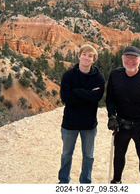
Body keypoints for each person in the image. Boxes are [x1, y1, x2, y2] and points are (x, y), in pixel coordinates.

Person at [106, 46, 140, 184]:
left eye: (134, 58)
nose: (130, 61)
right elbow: (110, 98)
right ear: (122, 59)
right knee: (118, 156)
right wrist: (111, 117)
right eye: (127, 57)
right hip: (121, 124)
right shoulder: (115, 75)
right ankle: (117, 181)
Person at [58, 44, 105, 184]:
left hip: (89, 124)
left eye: (90, 56)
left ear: (93, 59)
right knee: (66, 155)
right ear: (79, 56)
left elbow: (97, 97)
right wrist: (88, 94)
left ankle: (85, 182)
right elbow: (66, 99)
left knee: (88, 156)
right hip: (69, 123)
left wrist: (76, 91)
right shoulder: (68, 75)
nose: (86, 58)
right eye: (84, 54)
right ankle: (63, 181)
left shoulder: (98, 77)